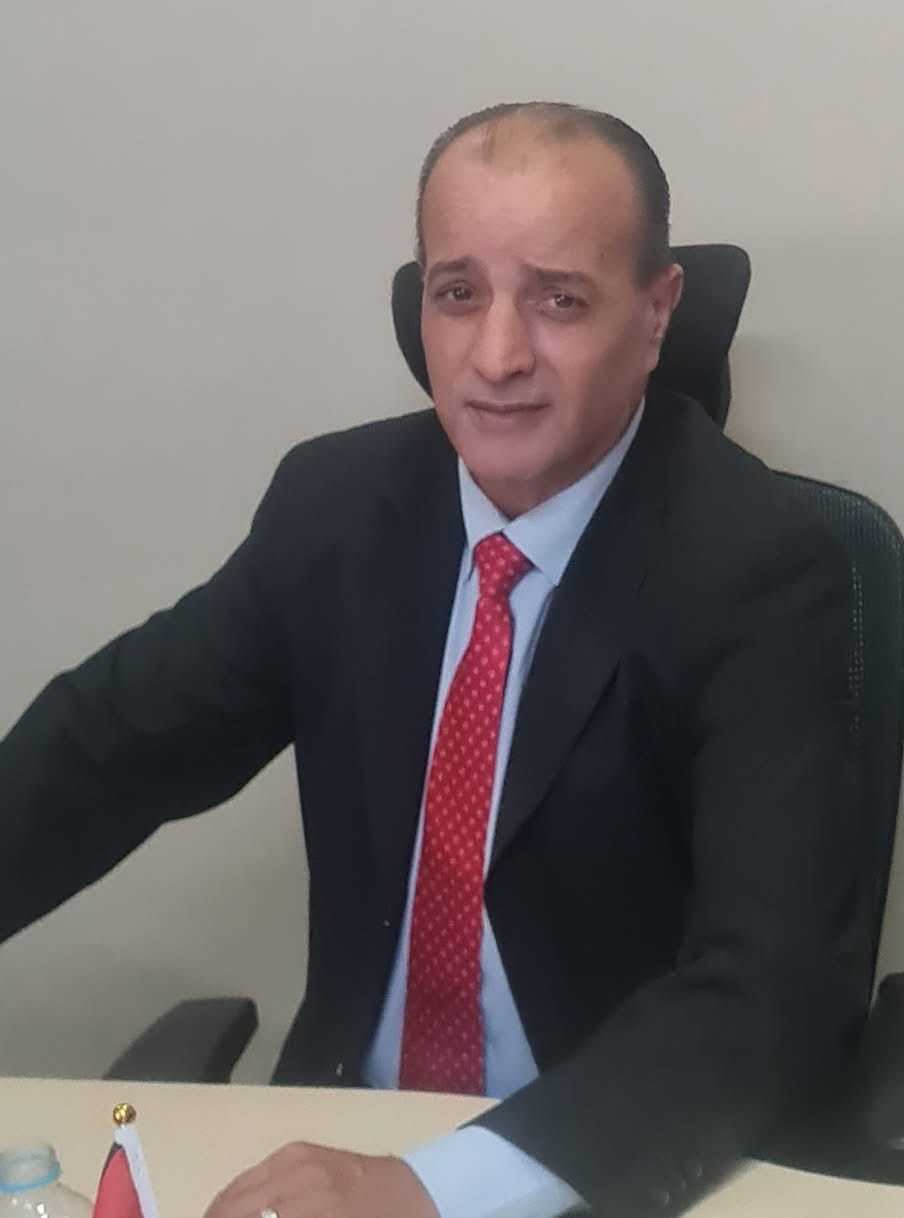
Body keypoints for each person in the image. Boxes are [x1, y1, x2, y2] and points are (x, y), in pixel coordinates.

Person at [0, 102, 867, 1218]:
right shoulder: (338, 508)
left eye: (559, 299)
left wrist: (439, 1187)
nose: (496, 357)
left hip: (606, 1162)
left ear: (656, 315)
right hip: (342, 1138)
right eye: (458, 294)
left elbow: (769, 986)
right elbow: (107, 747)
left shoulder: (768, 569)